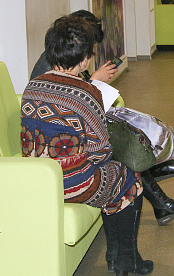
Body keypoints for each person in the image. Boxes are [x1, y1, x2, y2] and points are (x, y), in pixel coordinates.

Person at [30, 10, 174, 227]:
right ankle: (152, 173)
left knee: (123, 143)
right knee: (123, 151)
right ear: (83, 57)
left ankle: (153, 173)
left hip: (47, 162)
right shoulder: (80, 90)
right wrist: (93, 83)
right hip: (73, 174)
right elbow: (100, 151)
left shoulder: (36, 84)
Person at [21, 16, 153, 275]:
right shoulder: (85, 93)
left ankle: (115, 256)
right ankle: (126, 260)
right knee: (129, 177)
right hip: (72, 183)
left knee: (111, 174)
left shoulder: (32, 87)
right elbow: (101, 151)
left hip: (39, 179)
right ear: (84, 60)